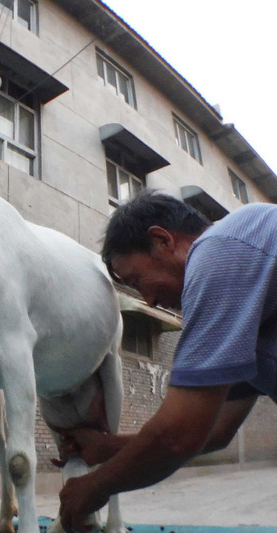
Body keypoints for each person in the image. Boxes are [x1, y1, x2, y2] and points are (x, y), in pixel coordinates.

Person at [57, 190, 277, 532]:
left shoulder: (220, 251)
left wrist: (92, 488)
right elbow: (215, 431)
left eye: (137, 281)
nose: (149, 300)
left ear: (162, 241)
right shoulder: (241, 307)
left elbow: (178, 436)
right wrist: (108, 447)